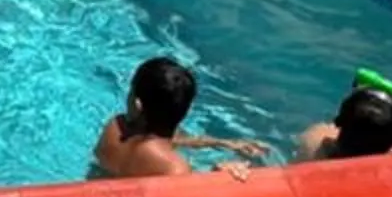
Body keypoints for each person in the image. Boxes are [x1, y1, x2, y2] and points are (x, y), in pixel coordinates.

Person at [92, 56, 268, 180]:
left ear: (138, 105)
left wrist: (223, 143)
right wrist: (218, 175)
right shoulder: (174, 168)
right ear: (186, 109)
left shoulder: (115, 127)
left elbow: (156, 143)